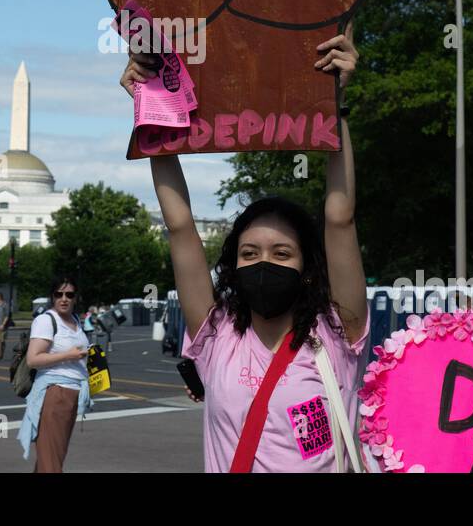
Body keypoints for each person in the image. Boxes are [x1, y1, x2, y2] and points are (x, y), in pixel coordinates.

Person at [122, 27, 368, 473]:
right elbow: (180, 229)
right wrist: (151, 105)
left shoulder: (338, 336)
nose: (264, 264)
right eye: (250, 254)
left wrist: (336, 102)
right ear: (232, 268)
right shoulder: (217, 338)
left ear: (308, 268)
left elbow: (339, 217)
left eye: (281, 254)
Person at [18, 277, 92, 472]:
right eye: (59, 294)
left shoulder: (75, 320)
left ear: (76, 298)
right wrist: (69, 354)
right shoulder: (46, 320)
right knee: (51, 461)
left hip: (72, 394)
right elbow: (33, 359)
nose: (64, 298)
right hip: (55, 393)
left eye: (69, 294)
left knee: (52, 456)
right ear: (52, 297)